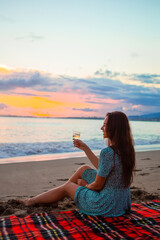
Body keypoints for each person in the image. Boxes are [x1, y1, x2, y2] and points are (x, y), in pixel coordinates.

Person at [20, 111, 135, 217]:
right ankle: (57, 196)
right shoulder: (127, 149)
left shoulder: (108, 152)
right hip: (122, 202)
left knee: (68, 186)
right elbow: (104, 168)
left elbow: (97, 186)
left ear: (114, 128)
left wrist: (84, 185)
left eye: (104, 125)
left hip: (106, 205)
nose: (101, 128)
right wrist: (86, 148)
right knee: (83, 169)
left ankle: (32, 201)